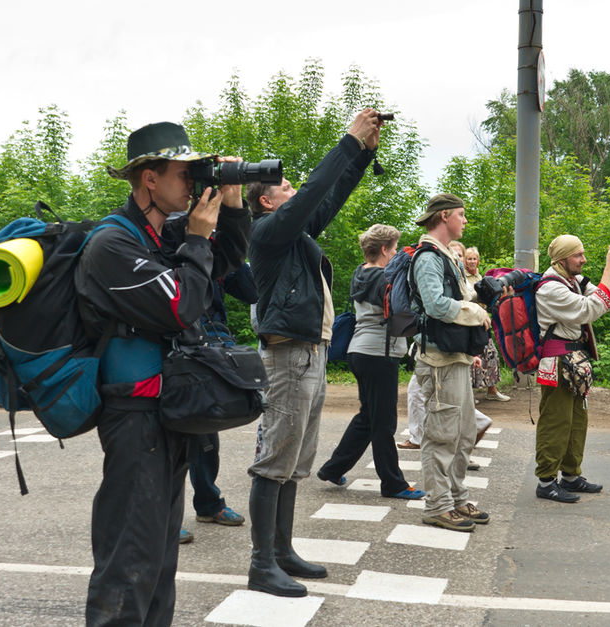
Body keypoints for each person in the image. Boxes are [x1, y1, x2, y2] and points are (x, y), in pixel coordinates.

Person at [75, 121, 251, 625]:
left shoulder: (161, 234)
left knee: (158, 560)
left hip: (163, 414)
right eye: (184, 172)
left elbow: (223, 267)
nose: (193, 182)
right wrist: (196, 238)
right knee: (129, 558)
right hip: (133, 415)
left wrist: (232, 205)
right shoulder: (113, 244)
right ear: (148, 178)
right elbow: (181, 307)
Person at [245, 109, 382, 598]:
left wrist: (363, 154)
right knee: (274, 459)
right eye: (285, 188)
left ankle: (281, 552)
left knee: (296, 459)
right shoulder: (267, 231)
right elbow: (310, 196)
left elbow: (328, 196)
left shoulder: (294, 237)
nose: (294, 190)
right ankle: (262, 565)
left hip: (311, 353)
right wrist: (346, 140)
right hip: (288, 357)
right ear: (267, 200)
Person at [316, 224, 425, 499]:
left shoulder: (360, 272)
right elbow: (399, 318)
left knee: (368, 416)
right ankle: (393, 483)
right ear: (385, 250)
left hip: (360, 350)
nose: (397, 252)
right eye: (395, 248)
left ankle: (332, 468)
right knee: (384, 423)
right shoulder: (384, 279)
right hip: (379, 353)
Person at [410, 193, 494, 532]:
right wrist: (474, 311)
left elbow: (457, 297)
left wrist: (483, 294)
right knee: (442, 434)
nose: (464, 220)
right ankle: (438, 505)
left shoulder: (447, 256)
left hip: (454, 356)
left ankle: (456, 498)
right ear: (444, 216)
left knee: (462, 431)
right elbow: (435, 304)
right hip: (438, 359)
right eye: (461, 214)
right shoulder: (428, 257)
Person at [533, 235, 610, 502]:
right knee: (556, 422)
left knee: (576, 422)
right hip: (557, 362)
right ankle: (546, 481)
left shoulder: (571, 281)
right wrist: (607, 269)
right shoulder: (551, 288)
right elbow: (589, 310)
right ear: (563, 259)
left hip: (574, 361)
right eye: (578, 255)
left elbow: (607, 298)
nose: (584, 260)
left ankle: (570, 476)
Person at [180, 262, 258, 544]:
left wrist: (233, 254)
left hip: (210, 347)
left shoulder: (219, 250)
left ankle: (209, 504)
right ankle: (165, 515)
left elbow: (252, 293)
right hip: (175, 347)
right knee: (171, 436)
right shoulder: (169, 240)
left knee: (206, 431)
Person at [461, 245, 510, 403]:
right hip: (468, 321)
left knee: (491, 353)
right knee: (469, 356)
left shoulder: (479, 276)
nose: (472, 261)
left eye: (475, 258)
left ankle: (492, 390)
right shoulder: (462, 277)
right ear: (464, 261)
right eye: (469, 258)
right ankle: (468, 394)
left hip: (482, 320)